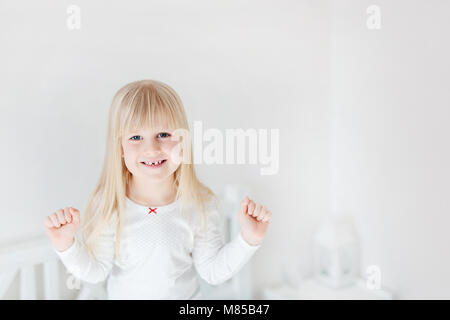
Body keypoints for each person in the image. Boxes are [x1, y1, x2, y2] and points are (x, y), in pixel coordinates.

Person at [43, 79, 272, 299]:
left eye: (163, 134)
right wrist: (66, 245)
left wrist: (248, 239)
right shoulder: (110, 203)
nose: (152, 149)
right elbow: (96, 271)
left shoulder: (199, 203)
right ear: (120, 148)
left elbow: (212, 271)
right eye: (135, 137)